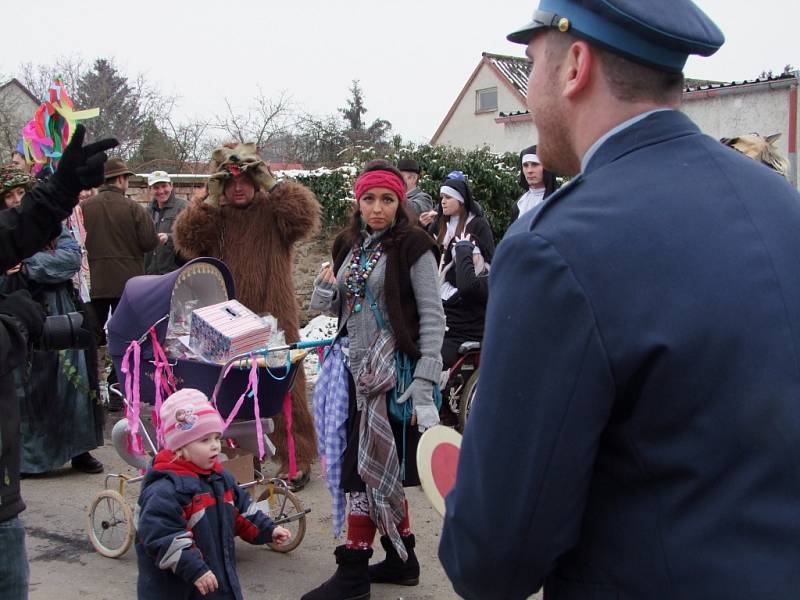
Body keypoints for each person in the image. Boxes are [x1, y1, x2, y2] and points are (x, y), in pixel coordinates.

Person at [440, 1, 800, 599]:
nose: (528, 98)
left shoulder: (553, 246)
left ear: (575, 65)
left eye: (531, 68)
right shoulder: (780, 204)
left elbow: (493, 561)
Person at [306, 159, 444, 600]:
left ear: (399, 202)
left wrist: (426, 378)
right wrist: (324, 289)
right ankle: (404, 560)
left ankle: (352, 572)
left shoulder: (414, 244)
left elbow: (432, 315)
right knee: (373, 467)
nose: (377, 208)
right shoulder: (350, 243)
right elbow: (338, 309)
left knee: (361, 470)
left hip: (389, 375)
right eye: (369, 199)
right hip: (350, 371)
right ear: (358, 201)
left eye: (387, 199)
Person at [0, 125, 116, 600]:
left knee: (70, 391)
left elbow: (61, 256)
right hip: (27, 321)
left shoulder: (44, 226)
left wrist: (62, 186)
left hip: (51, 312)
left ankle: (74, 448)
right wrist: (15, 325)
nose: (12, 200)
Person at [174, 142, 321, 491]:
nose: (238, 187)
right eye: (229, 181)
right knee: (232, 392)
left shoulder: (274, 210)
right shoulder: (212, 216)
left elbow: (304, 217)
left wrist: (271, 183)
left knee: (286, 389)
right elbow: (187, 239)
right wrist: (208, 199)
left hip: (275, 315)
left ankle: (294, 459)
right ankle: (242, 463)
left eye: (245, 179)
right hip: (224, 321)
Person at [136, 388, 291, 599]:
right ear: (180, 447)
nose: (215, 447)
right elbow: (162, 535)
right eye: (204, 440)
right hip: (179, 588)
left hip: (216, 578)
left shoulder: (221, 479)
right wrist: (194, 568)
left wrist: (268, 530)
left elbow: (242, 511)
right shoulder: (165, 489)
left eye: (217, 438)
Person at [0, 168, 103, 475]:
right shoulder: (5, 233)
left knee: (73, 383)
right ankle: (33, 459)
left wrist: (25, 264)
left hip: (60, 311)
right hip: (19, 314)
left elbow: (69, 259)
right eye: (10, 195)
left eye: (22, 193)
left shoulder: (54, 227)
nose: (17, 200)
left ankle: (79, 450)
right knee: (28, 388)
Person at [82, 157, 159, 346]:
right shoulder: (134, 208)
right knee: (127, 336)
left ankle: (92, 372)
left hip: (94, 282)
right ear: (120, 179)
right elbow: (149, 243)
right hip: (128, 283)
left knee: (90, 335)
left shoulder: (83, 208)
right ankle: (119, 375)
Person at [434, 175, 494, 369]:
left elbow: (478, 269)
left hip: (466, 304)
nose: (443, 201)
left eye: (448, 197)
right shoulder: (440, 225)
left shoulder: (476, 225)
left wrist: (462, 252)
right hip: (443, 296)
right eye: (441, 196)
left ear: (461, 200)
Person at [144, 170, 187, 275]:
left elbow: (191, 238)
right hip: (150, 274)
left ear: (171, 186)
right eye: (156, 188)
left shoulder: (184, 208)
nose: (161, 191)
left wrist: (169, 238)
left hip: (175, 274)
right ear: (150, 190)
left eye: (164, 186)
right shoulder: (146, 211)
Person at [511, 144, 559, 221]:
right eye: (525, 165)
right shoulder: (519, 205)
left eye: (535, 164)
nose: (529, 171)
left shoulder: (560, 201)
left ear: (547, 167)